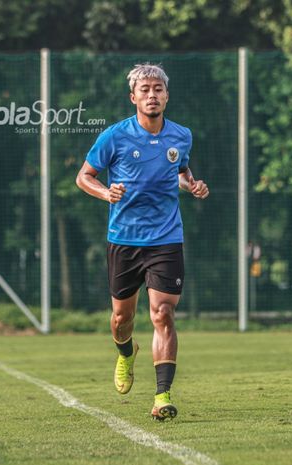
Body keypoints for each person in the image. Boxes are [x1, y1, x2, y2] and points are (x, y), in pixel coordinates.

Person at [76, 63, 209, 420]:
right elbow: (83, 177)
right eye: (145, 90)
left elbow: (181, 171)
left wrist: (192, 185)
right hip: (124, 240)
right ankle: (124, 353)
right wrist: (106, 192)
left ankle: (162, 395)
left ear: (167, 95)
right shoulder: (114, 137)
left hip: (166, 238)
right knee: (122, 318)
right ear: (133, 97)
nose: (152, 95)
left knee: (163, 313)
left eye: (158, 89)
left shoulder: (182, 135)